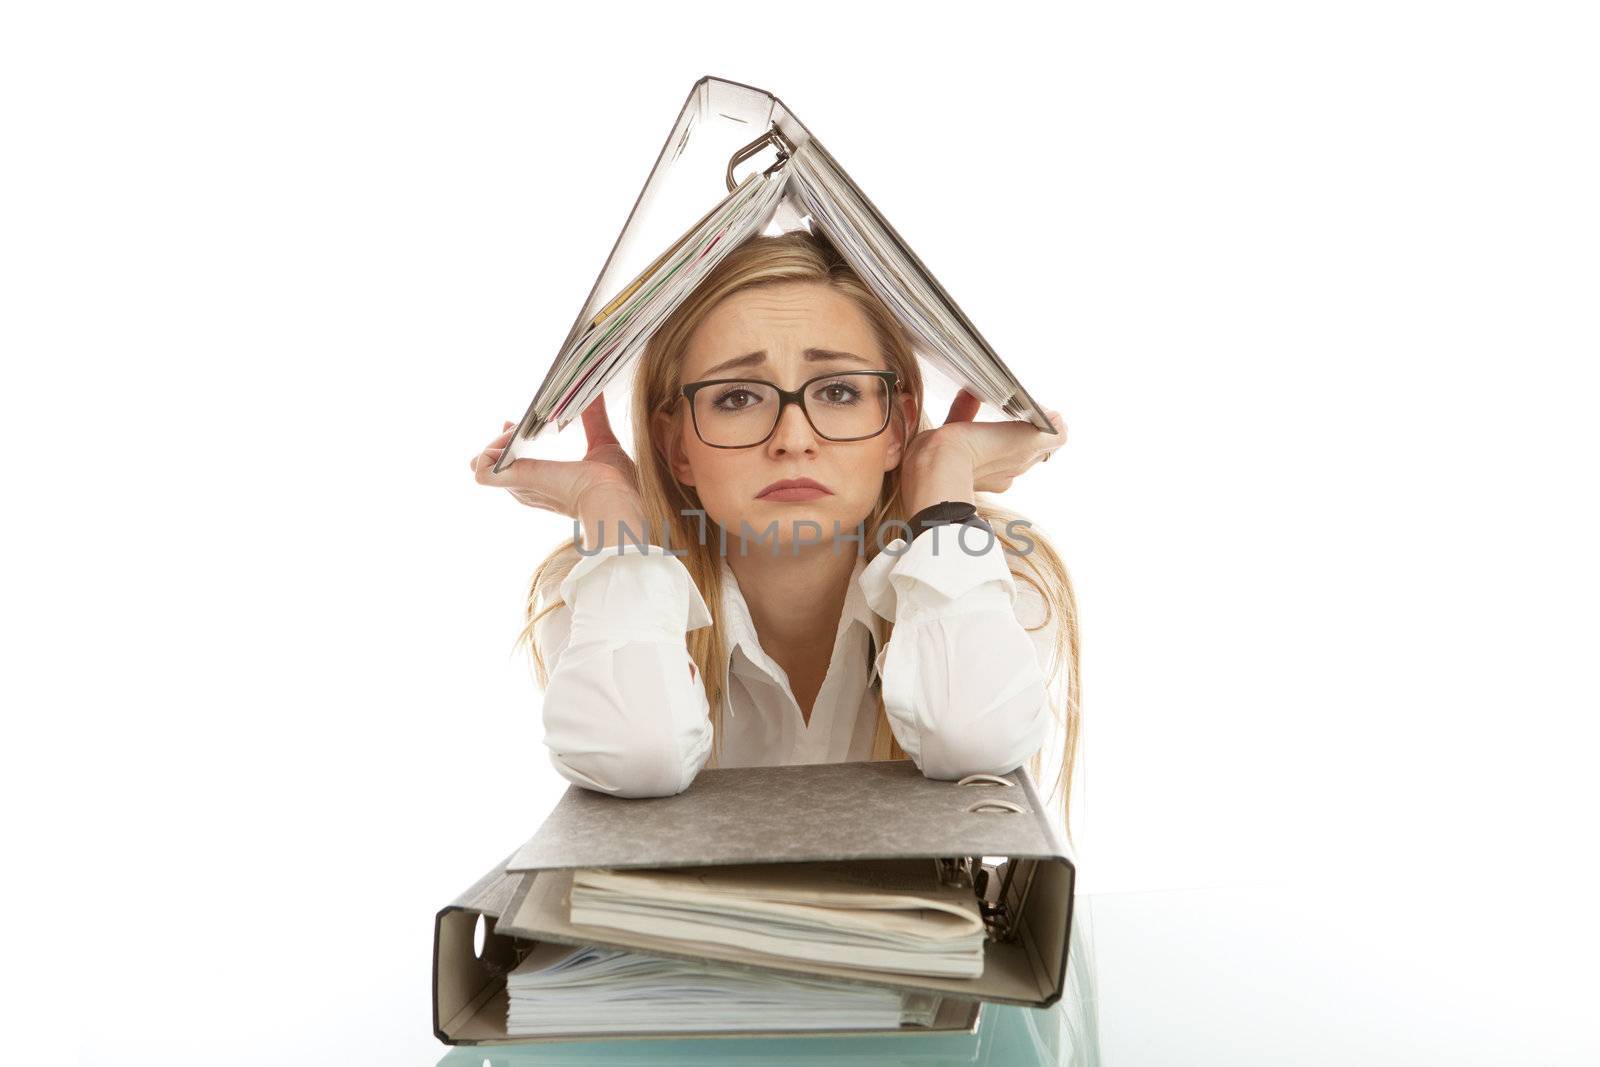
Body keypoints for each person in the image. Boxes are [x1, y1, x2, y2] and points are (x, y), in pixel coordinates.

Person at [470, 230, 1080, 840]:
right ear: (675, 444)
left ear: (895, 427)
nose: (792, 439)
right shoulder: (605, 587)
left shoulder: (985, 576)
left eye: (838, 391)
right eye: (737, 397)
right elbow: (634, 758)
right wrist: (609, 510)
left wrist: (944, 492)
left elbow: (975, 740)